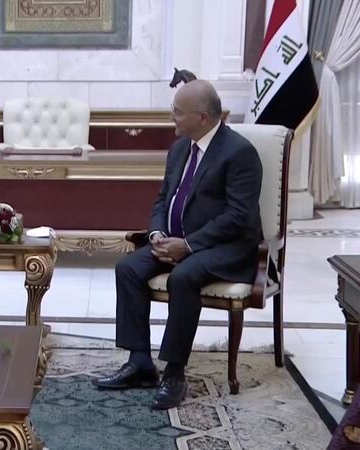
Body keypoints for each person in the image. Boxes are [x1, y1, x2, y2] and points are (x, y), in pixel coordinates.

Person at [93, 80, 264, 410]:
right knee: (128, 268)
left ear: (202, 117)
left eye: (177, 112)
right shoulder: (180, 148)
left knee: (183, 277)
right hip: (173, 241)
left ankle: (174, 372)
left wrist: (187, 244)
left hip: (227, 248)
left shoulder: (240, 153)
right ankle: (140, 362)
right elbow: (162, 200)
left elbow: (238, 217)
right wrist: (157, 233)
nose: (171, 116)